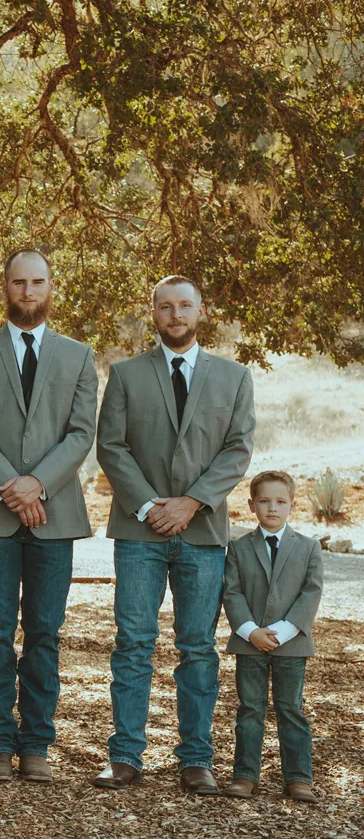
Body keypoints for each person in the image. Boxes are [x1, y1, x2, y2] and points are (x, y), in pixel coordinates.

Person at [94, 274, 255, 795]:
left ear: (200, 311)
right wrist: (148, 504)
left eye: (184, 306)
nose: (175, 315)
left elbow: (237, 450)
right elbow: (111, 447)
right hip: (139, 530)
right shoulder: (124, 375)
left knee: (198, 646)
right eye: (165, 307)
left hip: (203, 529)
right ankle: (124, 756)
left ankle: (195, 759)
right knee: (134, 642)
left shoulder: (233, 377)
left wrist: (190, 502)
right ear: (154, 314)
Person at [0, 248, 98, 784]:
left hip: (54, 517)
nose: (28, 291)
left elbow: (82, 432)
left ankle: (35, 742)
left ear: (50, 287)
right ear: (5, 287)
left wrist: (39, 484)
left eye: (37, 282)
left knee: (44, 632)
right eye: (19, 282)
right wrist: (12, 486)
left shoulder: (79, 356)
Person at [220, 470, 324, 803]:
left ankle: (298, 777)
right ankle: (245, 775)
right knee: (250, 708)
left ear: (292, 505)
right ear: (252, 505)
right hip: (249, 643)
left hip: (290, 644)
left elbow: (311, 593)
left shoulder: (308, 548)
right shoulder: (238, 547)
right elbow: (232, 592)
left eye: (280, 502)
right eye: (264, 501)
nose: (272, 508)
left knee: (290, 708)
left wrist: (280, 632)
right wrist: (251, 631)